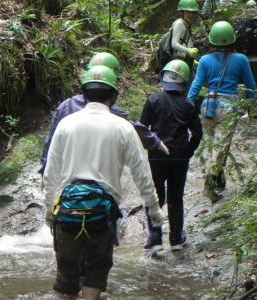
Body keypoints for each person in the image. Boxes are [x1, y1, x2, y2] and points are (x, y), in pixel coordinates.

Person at [43, 65, 164, 300]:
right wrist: (154, 209)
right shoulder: (123, 128)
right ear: (113, 96)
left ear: (84, 94)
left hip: (67, 211)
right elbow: (142, 174)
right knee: (96, 272)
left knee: (66, 277)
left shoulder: (66, 124)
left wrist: (49, 211)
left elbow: (51, 174)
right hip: (102, 213)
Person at [39, 52, 169, 175]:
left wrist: (45, 169)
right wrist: (155, 142)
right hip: (98, 175)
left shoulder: (66, 105)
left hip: (67, 174)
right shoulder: (111, 111)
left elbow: (51, 141)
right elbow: (133, 129)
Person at [187, 21, 257, 202]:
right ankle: (209, 185)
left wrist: (185, 105)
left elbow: (195, 86)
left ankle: (220, 179)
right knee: (220, 146)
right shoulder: (240, 59)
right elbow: (251, 85)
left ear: (212, 41)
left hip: (207, 107)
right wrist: (255, 105)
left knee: (214, 144)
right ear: (233, 40)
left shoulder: (204, 60)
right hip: (228, 108)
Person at [140, 60, 203, 254]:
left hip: (157, 157)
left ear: (163, 79)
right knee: (176, 197)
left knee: (156, 197)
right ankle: (176, 239)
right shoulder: (189, 105)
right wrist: (188, 150)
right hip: (179, 158)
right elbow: (197, 133)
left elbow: (142, 129)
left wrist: (150, 148)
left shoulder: (152, 100)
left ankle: (155, 241)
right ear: (184, 83)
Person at [171, 0, 200, 69]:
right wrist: (188, 51)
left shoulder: (186, 24)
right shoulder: (179, 23)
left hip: (184, 59)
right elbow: (174, 44)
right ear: (182, 12)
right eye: (188, 12)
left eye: (193, 12)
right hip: (177, 61)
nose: (191, 15)